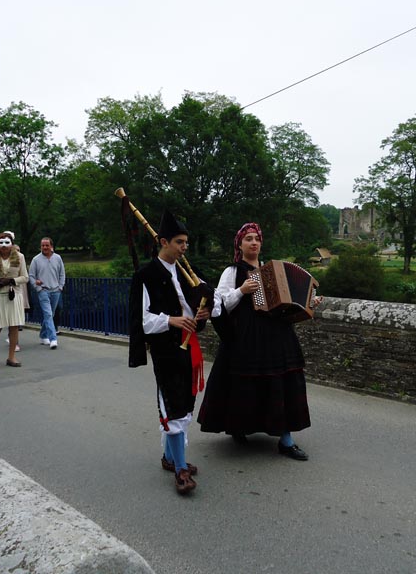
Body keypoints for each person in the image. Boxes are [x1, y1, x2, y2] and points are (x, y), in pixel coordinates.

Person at [197, 222, 319, 461]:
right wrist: (241, 290)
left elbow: (286, 304)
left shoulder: (272, 270)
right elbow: (219, 305)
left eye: (257, 239)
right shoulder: (232, 271)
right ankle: (240, 427)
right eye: (248, 239)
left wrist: (308, 303)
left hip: (277, 334)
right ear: (239, 244)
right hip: (247, 336)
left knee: (284, 382)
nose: (254, 242)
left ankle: (286, 440)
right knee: (246, 384)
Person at [128, 210, 219, 495]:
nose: (184, 248)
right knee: (173, 405)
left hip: (188, 347)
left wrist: (202, 313)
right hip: (165, 349)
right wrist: (172, 320)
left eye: (186, 243)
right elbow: (142, 321)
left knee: (185, 403)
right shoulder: (146, 275)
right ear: (163, 242)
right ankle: (180, 469)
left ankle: (169, 457)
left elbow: (203, 305)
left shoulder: (186, 272)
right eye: (179, 242)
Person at [0, 232, 29, 367]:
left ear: (12, 244)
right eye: (1, 243)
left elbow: (25, 277)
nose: (4, 246)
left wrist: (11, 280)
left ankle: (11, 356)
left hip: (13, 294)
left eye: (7, 243)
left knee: (14, 325)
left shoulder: (20, 257)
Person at [28, 237, 66, 349]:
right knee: (48, 314)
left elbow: (62, 274)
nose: (44, 247)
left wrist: (60, 287)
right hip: (43, 290)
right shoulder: (36, 260)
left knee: (51, 314)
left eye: (47, 245)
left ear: (51, 246)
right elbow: (31, 276)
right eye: (43, 245)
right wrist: (37, 287)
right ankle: (53, 338)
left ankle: (43, 335)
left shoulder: (58, 258)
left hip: (56, 290)